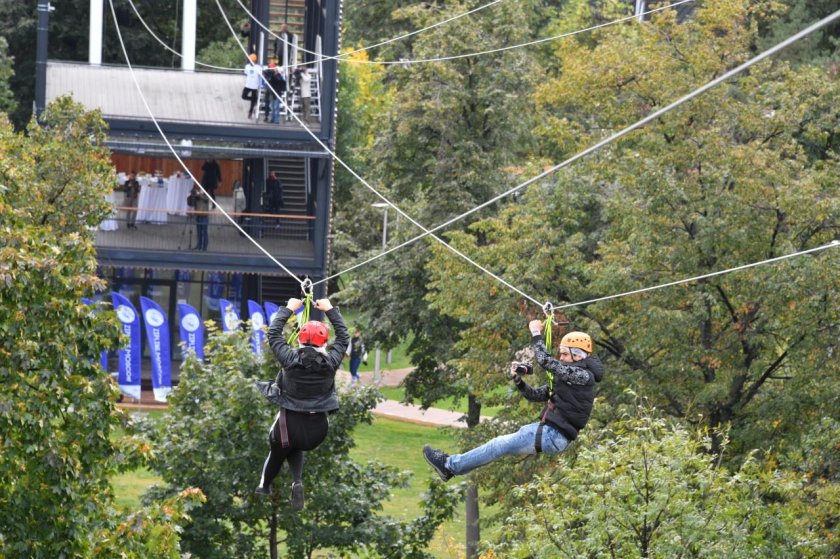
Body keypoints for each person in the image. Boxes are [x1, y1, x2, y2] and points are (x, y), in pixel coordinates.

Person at [423, 326, 604, 481]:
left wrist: (536, 333)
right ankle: (451, 466)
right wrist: (518, 381)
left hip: (553, 435)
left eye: (565, 354)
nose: (561, 357)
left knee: (498, 445)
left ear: (577, 356)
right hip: (550, 433)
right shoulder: (569, 379)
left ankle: (449, 465)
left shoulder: (583, 376)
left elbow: (545, 361)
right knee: (498, 446)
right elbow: (535, 395)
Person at [255, 297, 350, 510]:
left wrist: (289, 308)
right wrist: (329, 309)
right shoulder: (331, 362)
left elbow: (273, 334)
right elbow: (344, 337)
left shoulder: (289, 359)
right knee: (295, 443)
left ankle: (264, 486)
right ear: (325, 343)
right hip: (317, 431)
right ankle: (296, 480)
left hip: (287, 427)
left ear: (299, 339)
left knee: (278, 449)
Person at [242, 53, 262, 120]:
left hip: (254, 86)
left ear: (254, 60)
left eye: (252, 60)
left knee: (252, 103)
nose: (250, 61)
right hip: (248, 85)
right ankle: (255, 99)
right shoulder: (247, 66)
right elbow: (246, 73)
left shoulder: (258, 67)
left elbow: (260, 75)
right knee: (243, 96)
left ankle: (250, 113)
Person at [190, 185, 210, 251]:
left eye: (201, 190)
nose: (200, 191)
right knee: (198, 232)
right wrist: (191, 196)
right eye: (199, 189)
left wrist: (200, 195)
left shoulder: (206, 195)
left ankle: (204, 247)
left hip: (204, 216)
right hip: (198, 216)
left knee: (204, 232)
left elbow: (206, 199)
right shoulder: (197, 196)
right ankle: (199, 245)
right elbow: (191, 203)